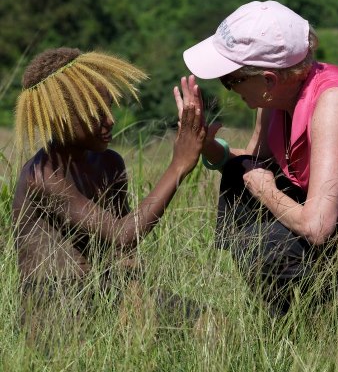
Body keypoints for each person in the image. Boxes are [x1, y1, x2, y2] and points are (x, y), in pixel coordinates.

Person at [177, 0, 338, 312]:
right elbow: (256, 163)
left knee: (269, 244)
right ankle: (286, 309)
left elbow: (317, 226)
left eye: (231, 80)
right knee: (239, 176)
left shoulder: (333, 104)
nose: (228, 89)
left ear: (269, 79)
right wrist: (205, 145)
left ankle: (310, 325)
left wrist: (266, 190)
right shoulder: (277, 99)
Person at [12, 47, 206, 289]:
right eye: (97, 113)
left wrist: (136, 294)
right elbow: (122, 236)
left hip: (105, 292)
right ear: (59, 117)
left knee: (208, 320)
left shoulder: (109, 163)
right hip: (53, 304)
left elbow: (123, 253)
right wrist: (178, 165)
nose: (111, 120)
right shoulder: (43, 175)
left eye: (109, 107)